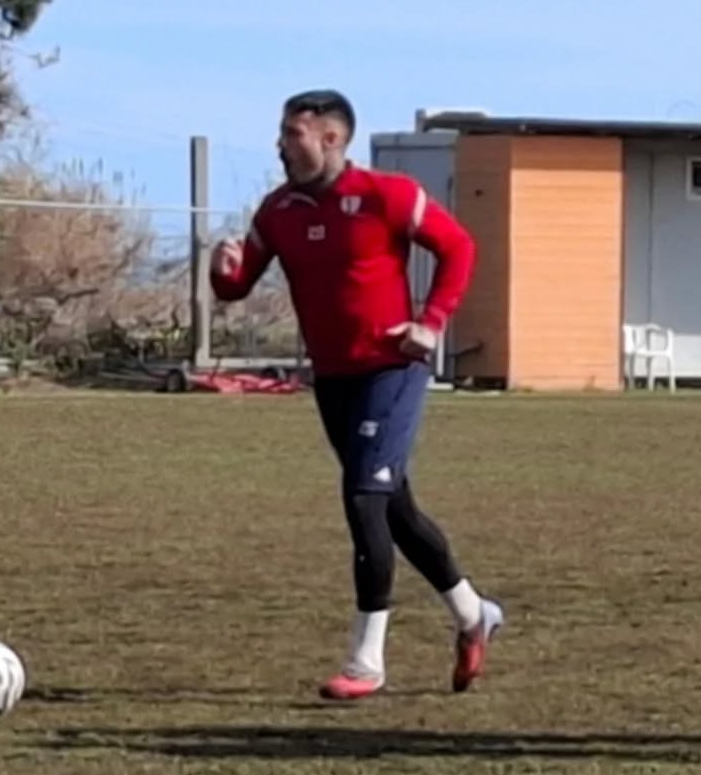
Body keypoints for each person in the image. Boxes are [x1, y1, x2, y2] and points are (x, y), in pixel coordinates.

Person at [210, 88, 502, 700]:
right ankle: (474, 614)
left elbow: (459, 247)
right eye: (282, 134)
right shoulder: (278, 210)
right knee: (397, 511)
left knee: (364, 499)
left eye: (292, 134)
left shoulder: (385, 194)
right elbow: (238, 286)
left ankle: (366, 662)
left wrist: (431, 322)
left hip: (391, 370)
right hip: (334, 379)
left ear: (331, 138)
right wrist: (223, 268)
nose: (280, 146)